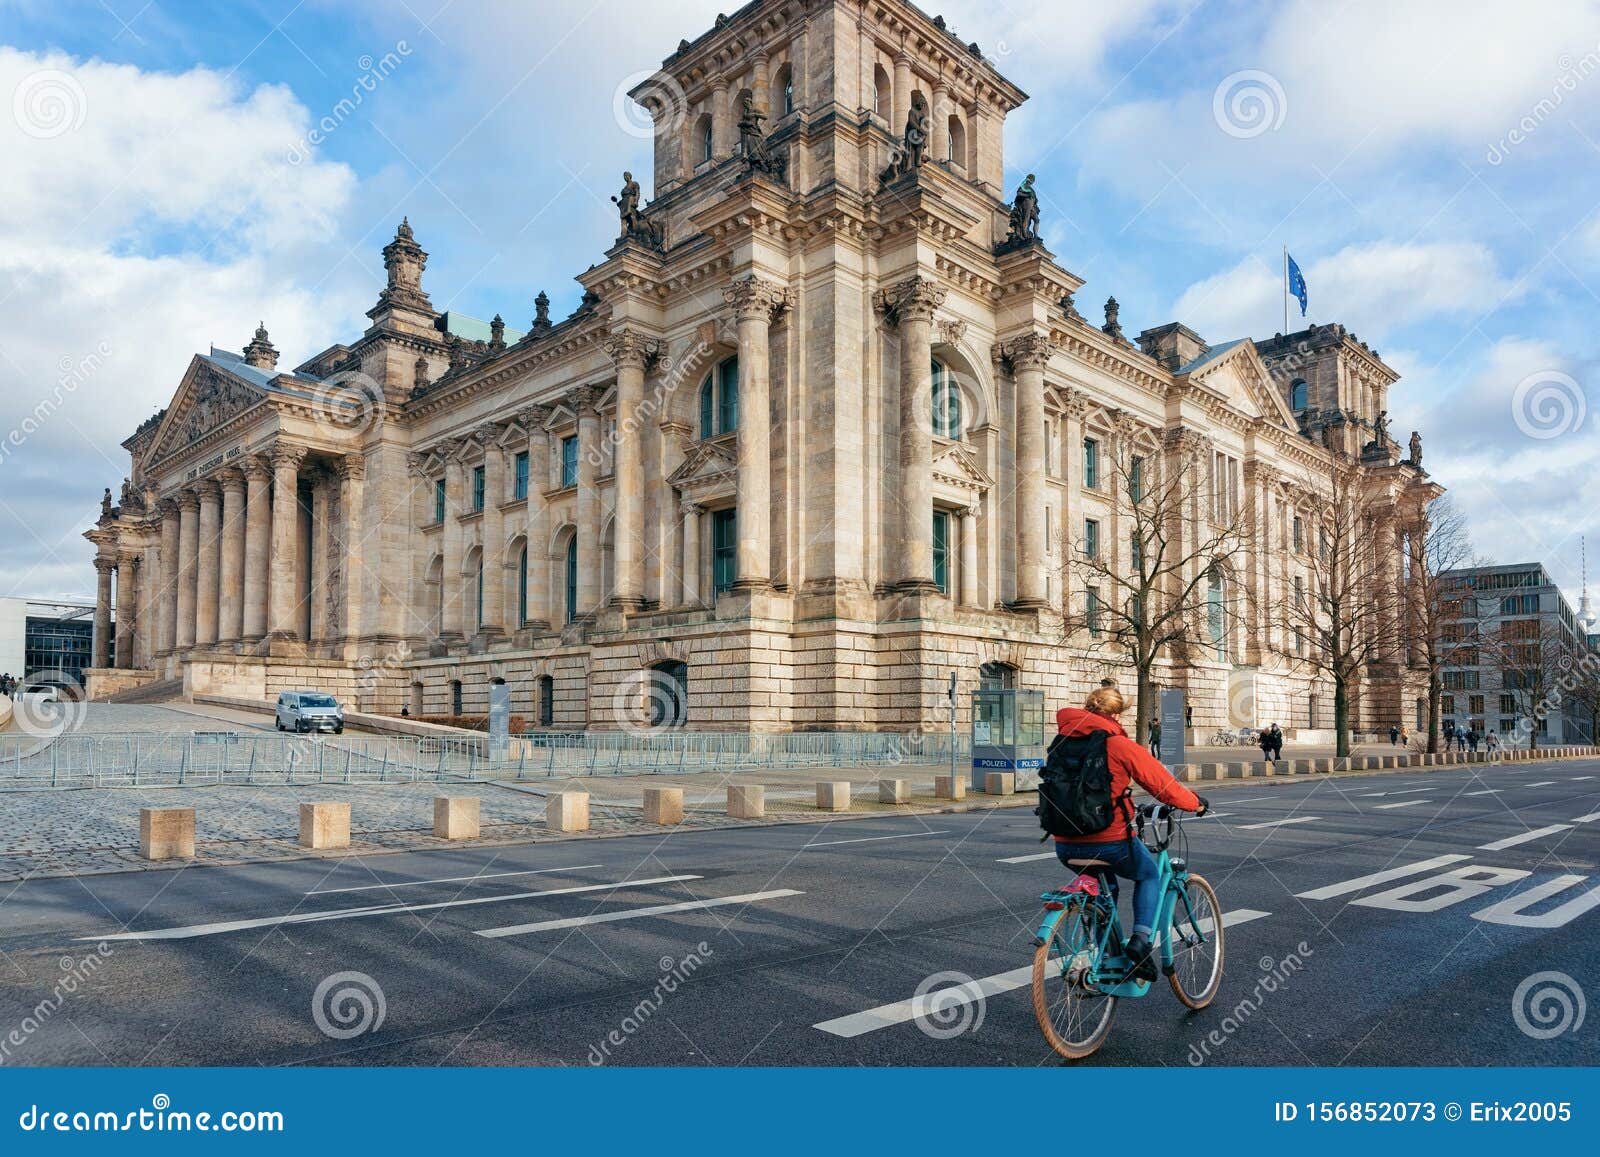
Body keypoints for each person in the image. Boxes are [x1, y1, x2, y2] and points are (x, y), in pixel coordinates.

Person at [1049, 686, 1208, 983]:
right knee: (1148, 874)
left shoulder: (1060, 741)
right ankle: (1141, 941)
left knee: (1104, 891)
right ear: (1117, 713)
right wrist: (1194, 802)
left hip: (1064, 844)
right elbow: (1163, 786)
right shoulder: (1118, 744)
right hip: (1110, 841)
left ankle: (1109, 958)